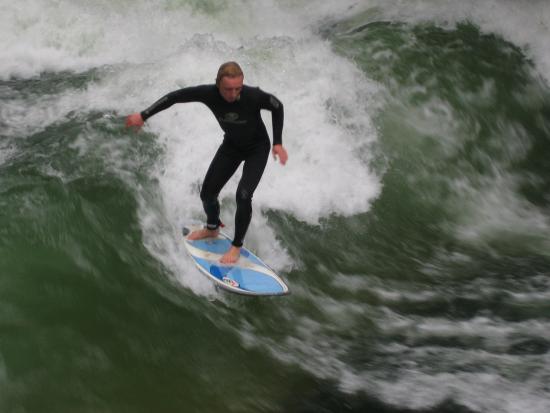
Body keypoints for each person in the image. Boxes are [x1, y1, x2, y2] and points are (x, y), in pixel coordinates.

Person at [126, 61, 288, 264]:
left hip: (257, 149)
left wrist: (278, 143)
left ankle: (236, 246)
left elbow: (277, 106)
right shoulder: (208, 94)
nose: (233, 94)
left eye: (238, 88)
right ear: (218, 84)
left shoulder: (253, 96)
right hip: (232, 146)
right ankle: (212, 229)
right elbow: (175, 97)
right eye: (228, 89)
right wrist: (143, 115)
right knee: (207, 194)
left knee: (243, 195)